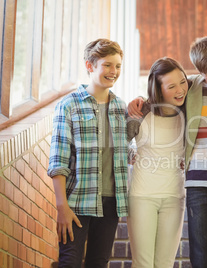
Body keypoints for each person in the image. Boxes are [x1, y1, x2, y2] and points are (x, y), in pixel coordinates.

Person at [128, 36, 207, 268]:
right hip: (193, 185)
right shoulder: (191, 88)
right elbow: (165, 94)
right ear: (200, 72)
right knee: (198, 258)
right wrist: (138, 101)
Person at [47, 38, 128, 267]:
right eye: (108, 65)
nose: (114, 71)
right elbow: (58, 160)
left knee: (98, 263)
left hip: (111, 203)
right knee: (69, 262)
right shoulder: (69, 105)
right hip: (77, 202)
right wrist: (62, 206)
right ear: (90, 66)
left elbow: (126, 152)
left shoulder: (120, 108)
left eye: (118, 66)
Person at [126, 57, 188, 267]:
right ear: (159, 90)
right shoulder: (141, 111)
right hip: (142, 196)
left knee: (165, 264)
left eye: (182, 81)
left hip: (174, 197)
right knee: (143, 264)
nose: (180, 90)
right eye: (171, 86)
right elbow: (118, 145)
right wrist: (130, 153)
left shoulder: (190, 110)